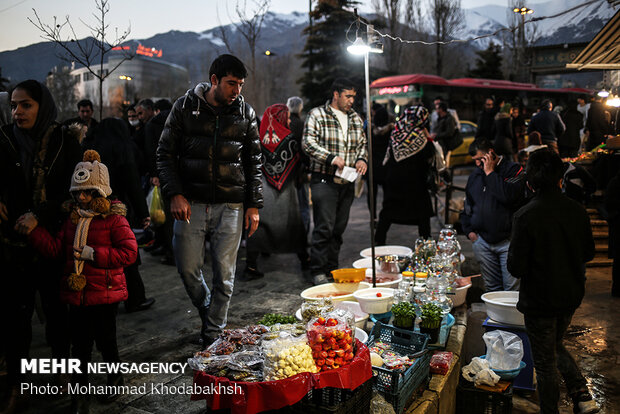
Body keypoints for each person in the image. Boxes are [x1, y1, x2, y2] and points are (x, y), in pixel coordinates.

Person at [157, 54, 262, 345]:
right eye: (231, 84)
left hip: (231, 206)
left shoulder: (245, 112)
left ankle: (213, 335)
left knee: (225, 277)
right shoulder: (185, 106)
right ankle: (208, 311)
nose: (236, 91)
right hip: (191, 204)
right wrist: (175, 193)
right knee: (188, 269)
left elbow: (255, 162)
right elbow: (164, 154)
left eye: (240, 85)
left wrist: (254, 205)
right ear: (214, 80)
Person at [22, 150, 138, 411]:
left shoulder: (114, 220)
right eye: (77, 193)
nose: (81, 198)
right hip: (77, 294)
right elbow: (56, 250)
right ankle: (79, 394)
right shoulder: (72, 222)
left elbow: (129, 253)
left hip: (105, 294)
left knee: (106, 341)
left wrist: (94, 254)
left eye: (87, 193)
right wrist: (35, 233)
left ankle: (115, 378)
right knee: (80, 346)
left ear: (101, 194)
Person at [0, 80, 82, 413]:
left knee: (56, 313)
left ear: (42, 105)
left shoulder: (65, 141)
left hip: (51, 241)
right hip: (10, 243)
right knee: (14, 318)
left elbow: (76, 193)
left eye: (26, 105)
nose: (18, 112)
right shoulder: (3, 138)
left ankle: (63, 374)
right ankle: (18, 386)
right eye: (14, 106)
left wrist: (40, 215)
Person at [507, 149, 599, 414]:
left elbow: (516, 267)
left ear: (530, 182)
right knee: (554, 345)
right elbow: (589, 253)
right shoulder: (577, 211)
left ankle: (553, 409)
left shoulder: (525, 216)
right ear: (561, 179)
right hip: (569, 297)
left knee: (545, 362)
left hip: (539, 302)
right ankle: (581, 394)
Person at [82, 118, 156, 313]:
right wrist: (143, 213)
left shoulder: (89, 151)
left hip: (91, 210)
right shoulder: (123, 149)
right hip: (117, 210)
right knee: (126, 255)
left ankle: (102, 298)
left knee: (98, 253)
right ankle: (135, 298)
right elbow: (133, 184)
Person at [302, 78, 368, 285]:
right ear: (336, 95)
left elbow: (362, 144)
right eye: (348, 96)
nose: (351, 101)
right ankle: (317, 270)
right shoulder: (317, 114)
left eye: (353, 97)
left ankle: (332, 268)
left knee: (338, 229)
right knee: (324, 227)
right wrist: (330, 157)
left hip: (346, 182)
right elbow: (307, 143)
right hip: (324, 179)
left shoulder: (356, 118)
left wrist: (361, 159)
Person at [244, 104, 308, 278]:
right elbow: (299, 162)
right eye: (286, 117)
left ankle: (250, 266)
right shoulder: (291, 140)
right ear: (279, 118)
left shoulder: (256, 140)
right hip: (287, 191)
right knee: (293, 226)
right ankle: (305, 262)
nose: (288, 120)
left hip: (263, 190)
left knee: (259, 228)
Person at [460, 139, 524, 292]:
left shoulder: (514, 170)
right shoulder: (475, 175)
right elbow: (468, 205)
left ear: (491, 153)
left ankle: (509, 317)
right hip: (482, 241)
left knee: (511, 290)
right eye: (474, 160)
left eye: (480, 159)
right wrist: (469, 231)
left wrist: (490, 173)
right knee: (491, 289)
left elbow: (507, 197)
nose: (477, 164)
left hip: (508, 242)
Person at [375, 105, 435, 245]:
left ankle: (378, 244)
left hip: (394, 182)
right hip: (416, 183)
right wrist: (428, 136)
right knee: (422, 216)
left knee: (388, 213)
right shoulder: (421, 137)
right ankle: (426, 247)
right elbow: (430, 155)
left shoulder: (396, 134)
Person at [144, 99, 175, 265]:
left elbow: (151, 153)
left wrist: (154, 174)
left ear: (156, 110)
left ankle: (170, 251)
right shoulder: (179, 120)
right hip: (180, 174)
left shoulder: (152, 125)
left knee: (165, 214)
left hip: (162, 175)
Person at [287, 96, 311, 236]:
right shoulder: (301, 125)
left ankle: (290, 235)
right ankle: (303, 235)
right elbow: (305, 150)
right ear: (300, 107)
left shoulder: (285, 124)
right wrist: (308, 166)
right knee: (303, 206)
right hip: (299, 172)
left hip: (285, 172)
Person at [367, 103, 393, 221]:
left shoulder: (370, 131)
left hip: (372, 167)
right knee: (387, 193)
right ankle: (385, 214)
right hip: (386, 166)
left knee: (372, 193)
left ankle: (373, 216)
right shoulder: (392, 132)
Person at [431, 102, 461, 166]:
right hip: (440, 144)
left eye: (437, 109)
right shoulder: (440, 118)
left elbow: (449, 133)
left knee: (443, 163)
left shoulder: (449, 118)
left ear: (441, 109)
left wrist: (436, 135)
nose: (436, 111)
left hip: (445, 144)